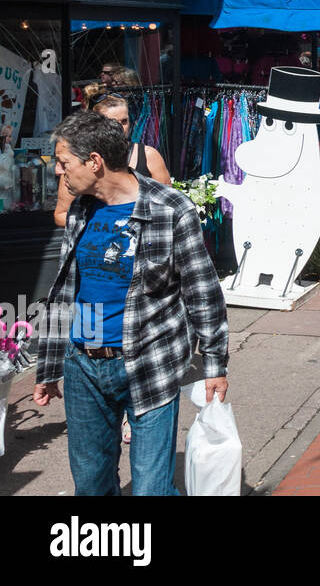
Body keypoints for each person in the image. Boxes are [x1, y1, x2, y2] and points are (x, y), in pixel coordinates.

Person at [34, 111, 229, 496]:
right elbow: (66, 290)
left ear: (94, 162)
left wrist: (214, 363)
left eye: (64, 162)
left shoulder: (170, 208)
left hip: (148, 361)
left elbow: (202, 291)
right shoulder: (80, 209)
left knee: (150, 490)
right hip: (83, 366)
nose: (58, 172)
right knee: (90, 486)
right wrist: (50, 366)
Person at [54, 94, 171, 228]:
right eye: (113, 122)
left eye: (124, 121)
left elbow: (166, 205)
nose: (121, 128)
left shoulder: (148, 155)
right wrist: (103, 224)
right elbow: (61, 214)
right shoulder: (76, 163)